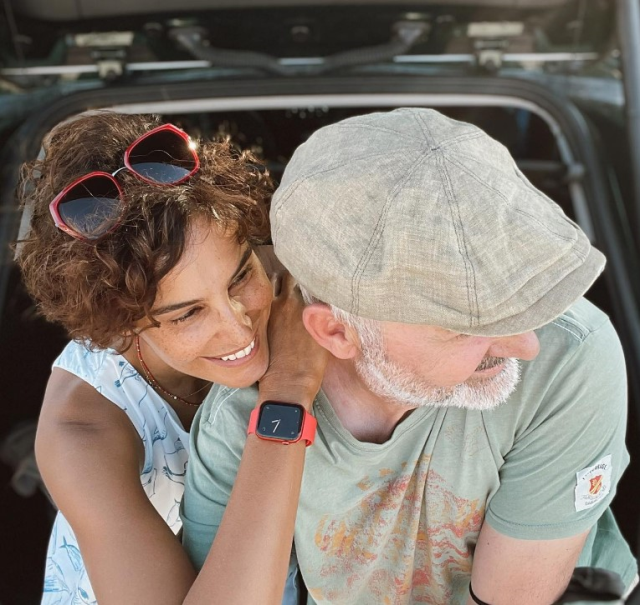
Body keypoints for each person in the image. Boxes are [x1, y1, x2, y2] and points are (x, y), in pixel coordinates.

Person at [181, 108, 638, 605]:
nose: (526, 344)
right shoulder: (246, 418)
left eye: (517, 293)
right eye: (467, 324)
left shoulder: (567, 356)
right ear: (337, 332)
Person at [17, 112, 325, 605]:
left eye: (240, 277)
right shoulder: (81, 434)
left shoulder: (290, 286)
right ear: (122, 321)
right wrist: (288, 391)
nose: (238, 325)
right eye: (187, 315)